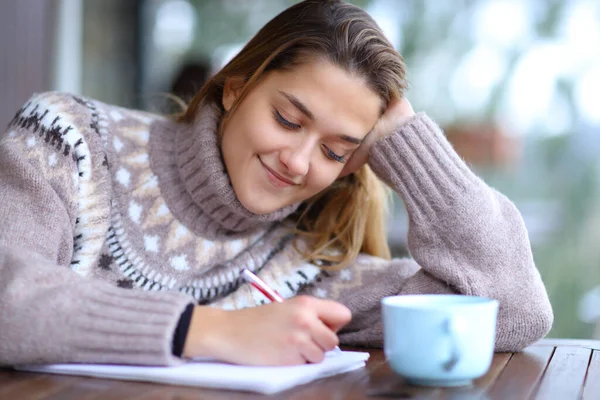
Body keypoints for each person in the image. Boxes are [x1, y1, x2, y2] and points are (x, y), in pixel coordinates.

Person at [0, 0, 552, 367]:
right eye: (288, 119)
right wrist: (208, 330)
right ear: (236, 87)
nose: (298, 161)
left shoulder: (312, 269)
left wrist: (408, 143)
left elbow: (517, 310)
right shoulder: (67, 138)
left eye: (335, 150)